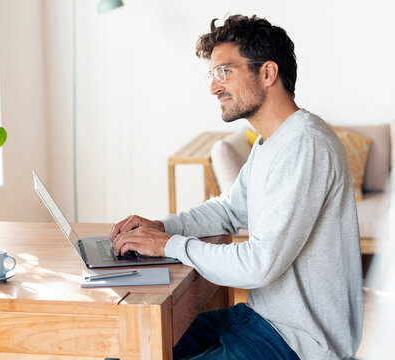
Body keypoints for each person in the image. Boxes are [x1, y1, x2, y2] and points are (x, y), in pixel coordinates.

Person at [110, 15, 363, 359]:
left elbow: (259, 264)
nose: (214, 87)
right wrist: (162, 227)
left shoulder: (306, 145)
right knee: (128, 345)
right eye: (213, 74)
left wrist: (170, 244)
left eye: (225, 72)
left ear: (268, 73)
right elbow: (229, 209)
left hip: (297, 341)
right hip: (260, 318)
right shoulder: (270, 143)